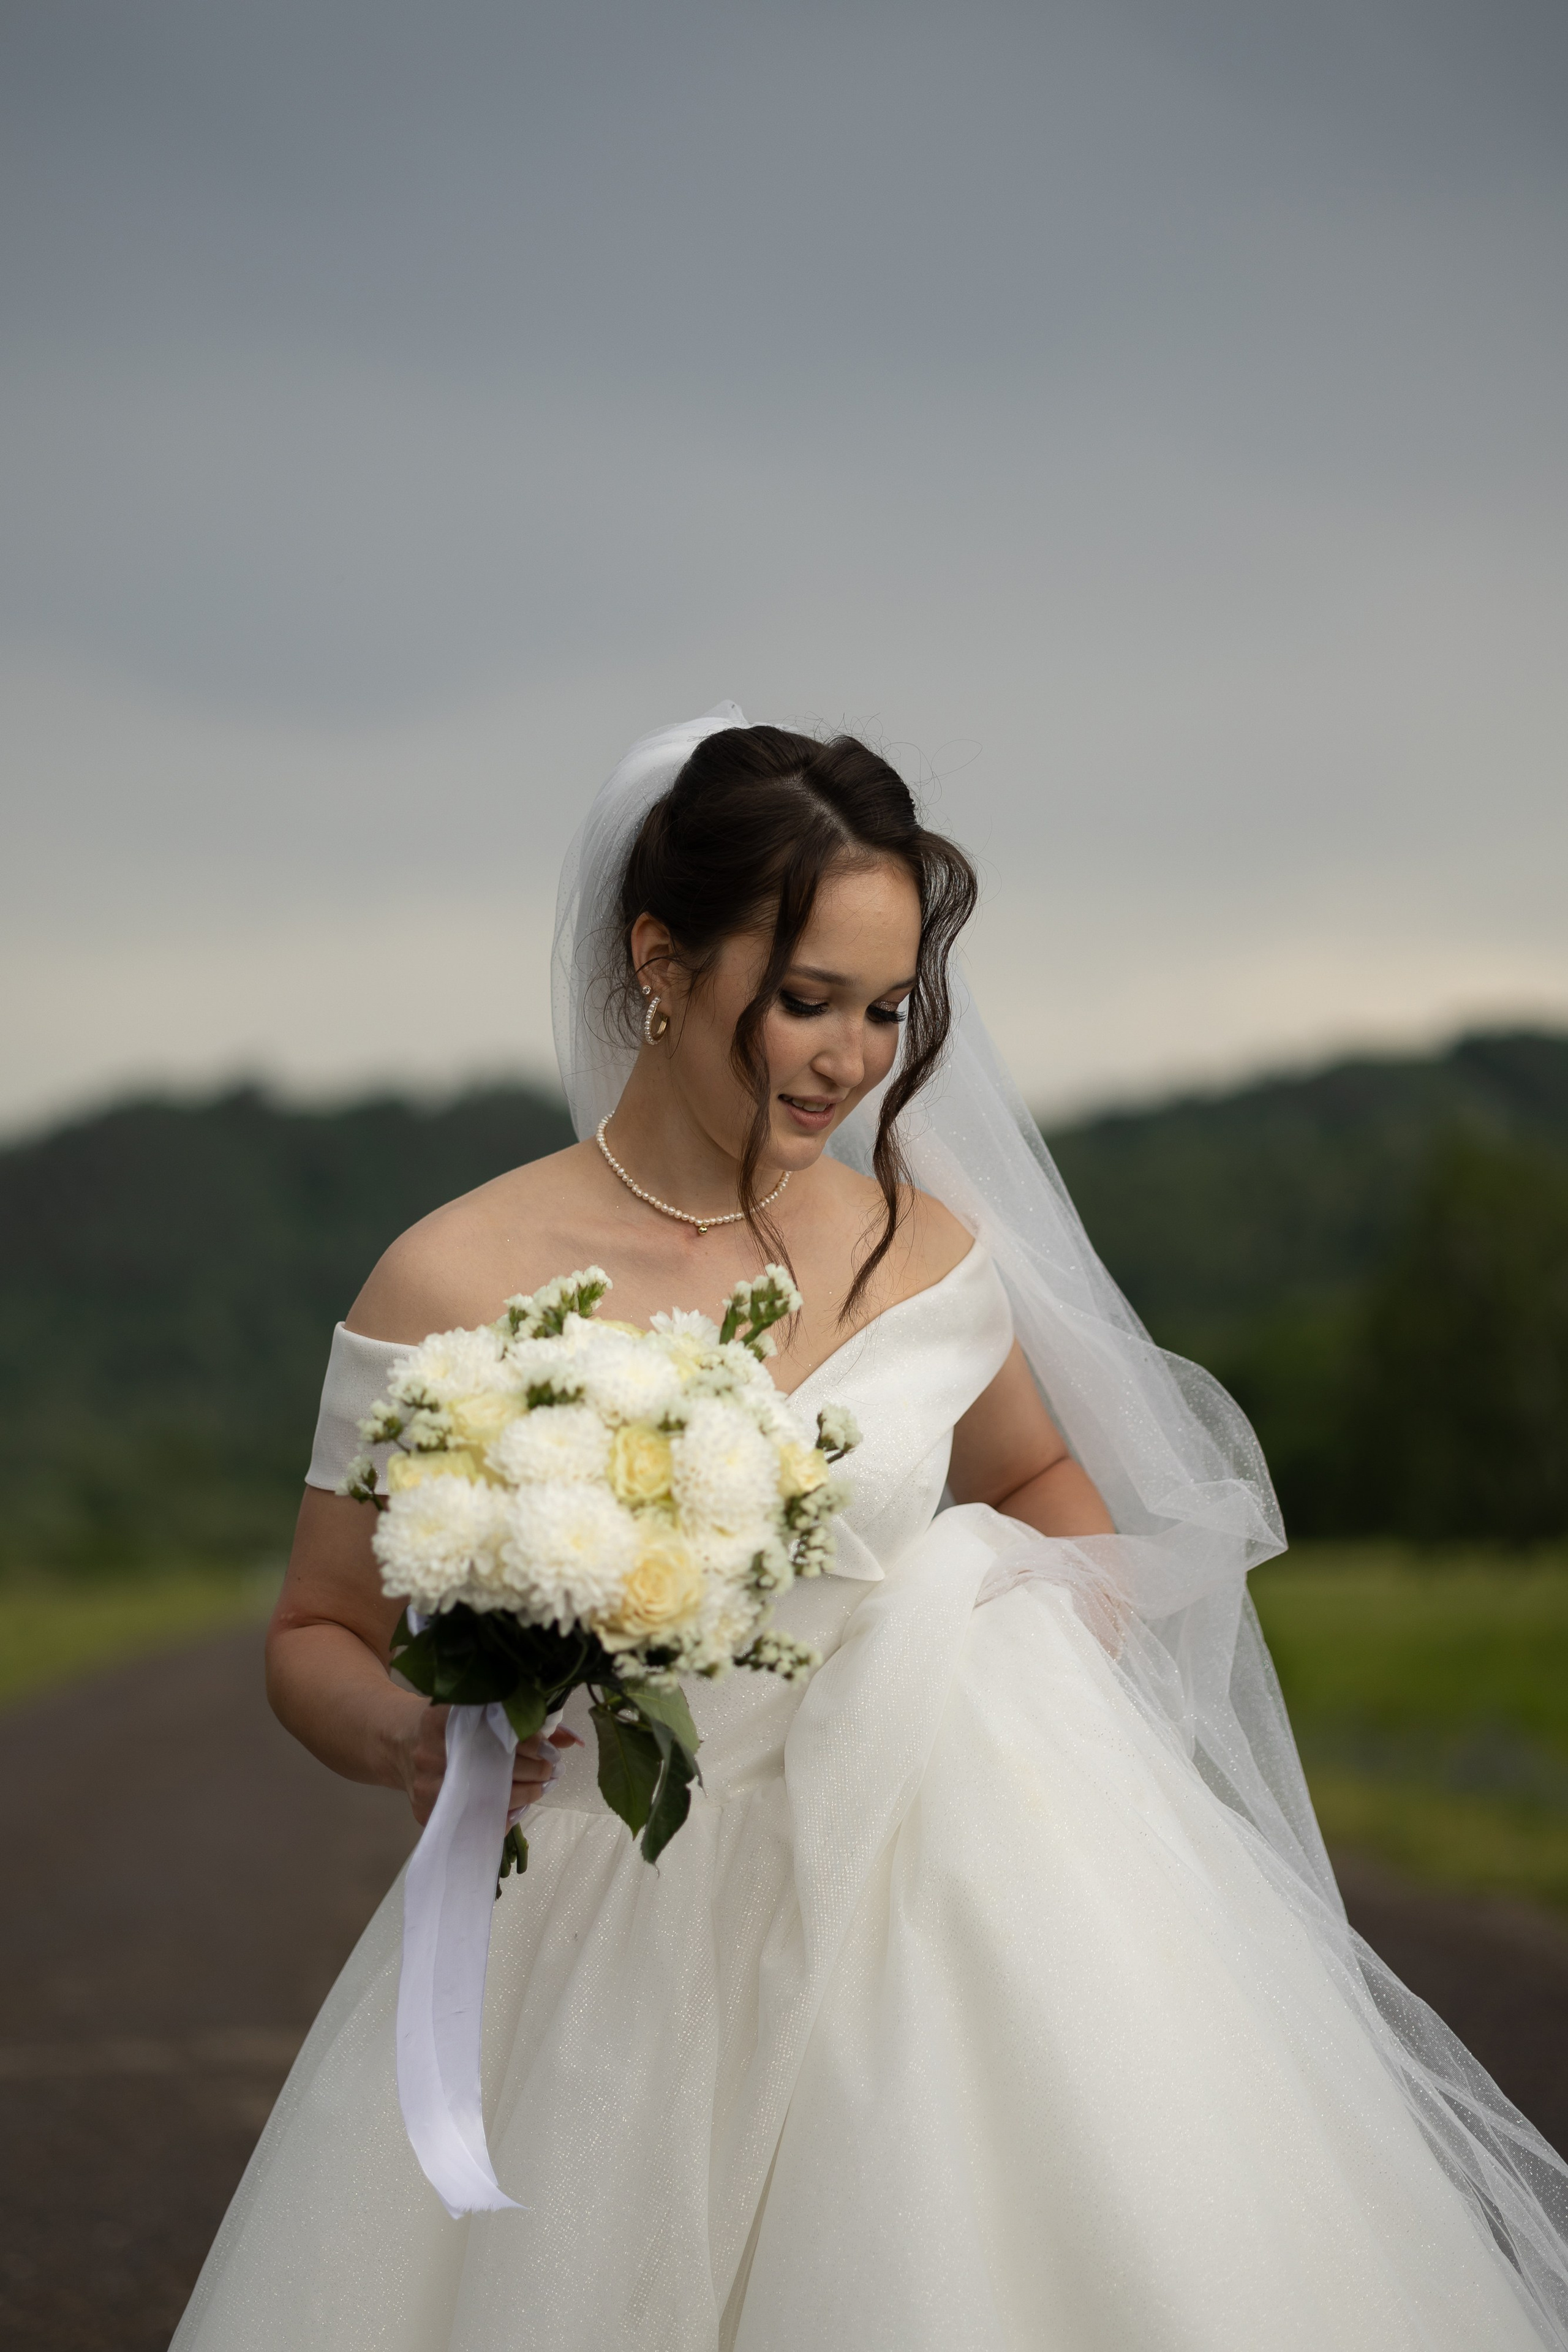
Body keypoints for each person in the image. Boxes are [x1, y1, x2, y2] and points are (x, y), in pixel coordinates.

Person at [173, 709, 1568, 2351]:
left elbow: (1044, 1490)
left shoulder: (927, 1256)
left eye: (887, 1010)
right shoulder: (452, 1279)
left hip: (938, 1896)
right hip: (607, 1924)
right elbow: (316, 1631)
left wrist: (1012, 1653)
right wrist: (412, 1734)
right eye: (806, 999)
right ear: (662, 962)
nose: (850, 1059)